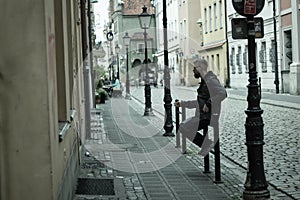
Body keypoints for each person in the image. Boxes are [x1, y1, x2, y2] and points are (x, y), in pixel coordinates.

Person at [174, 59, 227, 156]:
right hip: (203, 116)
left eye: (194, 68)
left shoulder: (211, 80)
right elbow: (199, 102)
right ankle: (206, 144)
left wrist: (209, 102)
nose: (193, 71)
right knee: (183, 127)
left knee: (183, 127)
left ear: (201, 68)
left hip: (209, 117)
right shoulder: (204, 81)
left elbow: (223, 93)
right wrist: (183, 104)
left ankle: (207, 144)